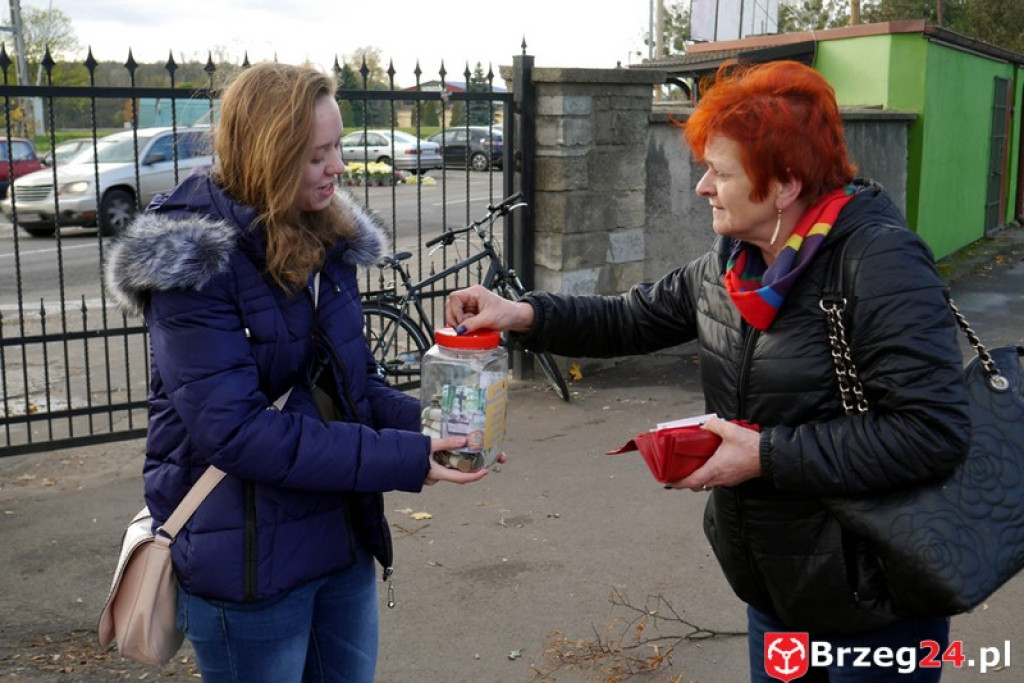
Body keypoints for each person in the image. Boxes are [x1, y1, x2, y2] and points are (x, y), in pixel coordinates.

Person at [447, 60, 970, 682]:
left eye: (720, 172)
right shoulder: (734, 264)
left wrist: (766, 454)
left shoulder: (878, 263)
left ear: (784, 184)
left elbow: (931, 432)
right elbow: (629, 319)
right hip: (775, 591)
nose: (703, 187)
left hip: (876, 599)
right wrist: (521, 314)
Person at [104, 62, 492, 682]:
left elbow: (351, 387)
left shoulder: (322, 237)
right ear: (267, 155)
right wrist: (406, 457)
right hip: (248, 565)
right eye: (317, 155)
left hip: (339, 544)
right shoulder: (193, 263)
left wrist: (442, 427)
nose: (338, 166)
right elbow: (237, 433)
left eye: (337, 146)